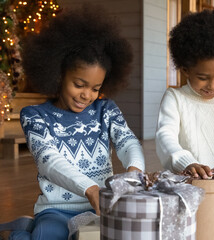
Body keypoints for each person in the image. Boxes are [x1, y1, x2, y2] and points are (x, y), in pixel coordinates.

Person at [0, 5, 145, 240]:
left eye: (95, 88)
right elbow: (49, 161)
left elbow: (128, 142)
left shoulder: (105, 109)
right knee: (47, 235)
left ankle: (23, 233)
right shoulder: (34, 115)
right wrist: (89, 188)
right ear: (58, 75)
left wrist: (135, 173)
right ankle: (27, 231)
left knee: (94, 236)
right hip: (56, 210)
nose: (86, 95)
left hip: (99, 209)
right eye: (79, 85)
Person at [156, 10, 214, 180]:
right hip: (186, 188)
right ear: (185, 70)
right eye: (203, 78)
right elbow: (165, 138)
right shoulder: (175, 99)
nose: (213, 85)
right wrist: (187, 163)